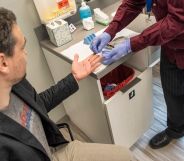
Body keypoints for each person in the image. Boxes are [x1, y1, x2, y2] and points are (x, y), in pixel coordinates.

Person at [0, 7, 133, 161]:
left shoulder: (15, 84)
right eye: (22, 48)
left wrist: (74, 78)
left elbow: (37, 105)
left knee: (125, 156)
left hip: (54, 152)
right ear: (3, 63)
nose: (26, 54)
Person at [90, 0, 184, 149]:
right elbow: (133, 4)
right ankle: (175, 130)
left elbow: (177, 21)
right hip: (171, 47)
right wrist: (110, 31)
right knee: (172, 91)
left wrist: (131, 44)